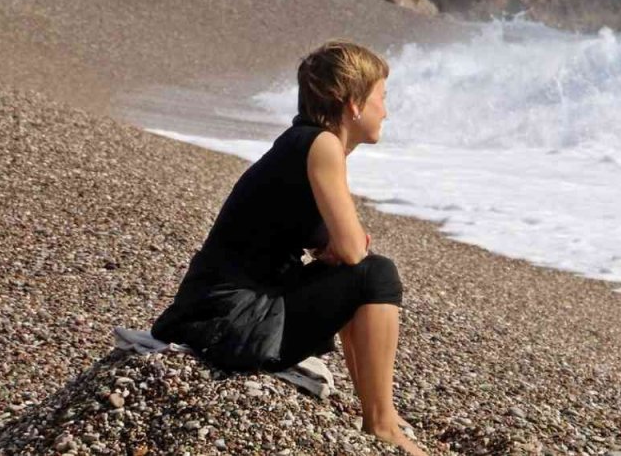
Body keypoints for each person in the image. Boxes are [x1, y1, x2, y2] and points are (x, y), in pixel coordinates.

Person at [152, 40, 425, 454]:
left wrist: (336, 248)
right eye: (381, 98)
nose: (385, 110)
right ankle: (381, 422)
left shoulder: (304, 144)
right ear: (353, 103)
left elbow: (331, 244)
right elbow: (353, 251)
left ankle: (377, 409)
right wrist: (341, 249)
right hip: (231, 320)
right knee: (377, 274)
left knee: (362, 276)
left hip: (215, 308)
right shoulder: (322, 146)